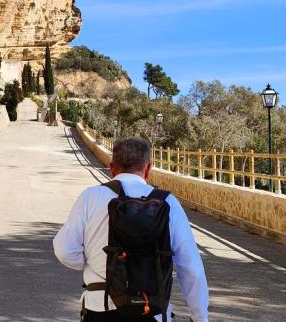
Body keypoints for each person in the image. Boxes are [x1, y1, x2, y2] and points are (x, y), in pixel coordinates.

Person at [53, 137, 209, 322]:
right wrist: (199, 317)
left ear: (112, 167)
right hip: (151, 311)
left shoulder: (90, 197)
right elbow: (191, 268)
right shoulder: (167, 203)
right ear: (148, 168)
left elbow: (65, 250)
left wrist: (88, 262)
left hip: (100, 308)